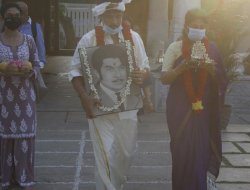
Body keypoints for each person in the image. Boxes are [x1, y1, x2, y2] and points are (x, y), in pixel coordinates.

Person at [69, 0, 150, 189]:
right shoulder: (88, 39)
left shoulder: (134, 38)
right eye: (110, 16)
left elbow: (145, 66)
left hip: (128, 108)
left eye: (118, 16)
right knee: (104, 157)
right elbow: (74, 71)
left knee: (126, 154)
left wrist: (142, 74)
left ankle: (117, 184)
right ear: (101, 17)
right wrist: (84, 97)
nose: (115, 21)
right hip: (99, 108)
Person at [160, 8, 227, 190]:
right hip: (180, 110)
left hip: (204, 111)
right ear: (186, 26)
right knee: (182, 152)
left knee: (201, 152)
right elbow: (164, 78)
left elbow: (222, 79)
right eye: (194, 25)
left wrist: (211, 69)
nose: (198, 28)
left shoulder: (212, 48)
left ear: (206, 27)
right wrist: (182, 67)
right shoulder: (175, 48)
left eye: (201, 26)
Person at [0, 2, 41, 190]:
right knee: (4, 138)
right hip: (3, 98)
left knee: (24, 137)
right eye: (9, 15)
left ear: (22, 18)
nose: (13, 18)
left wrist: (29, 71)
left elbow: (37, 64)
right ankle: (5, 177)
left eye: (17, 15)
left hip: (25, 99)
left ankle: (24, 177)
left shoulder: (29, 40)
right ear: (2, 17)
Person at [90, 44, 143, 115]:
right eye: (109, 69)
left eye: (121, 68)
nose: (118, 75)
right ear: (97, 73)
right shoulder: (91, 97)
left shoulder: (136, 93)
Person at [16, 1, 46, 69]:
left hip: (30, 67)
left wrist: (39, 66)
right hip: (11, 68)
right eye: (17, 14)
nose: (19, 16)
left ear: (27, 12)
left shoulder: (35, 27)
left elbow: (40, 46)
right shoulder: (8, 26)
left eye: (21, 13)